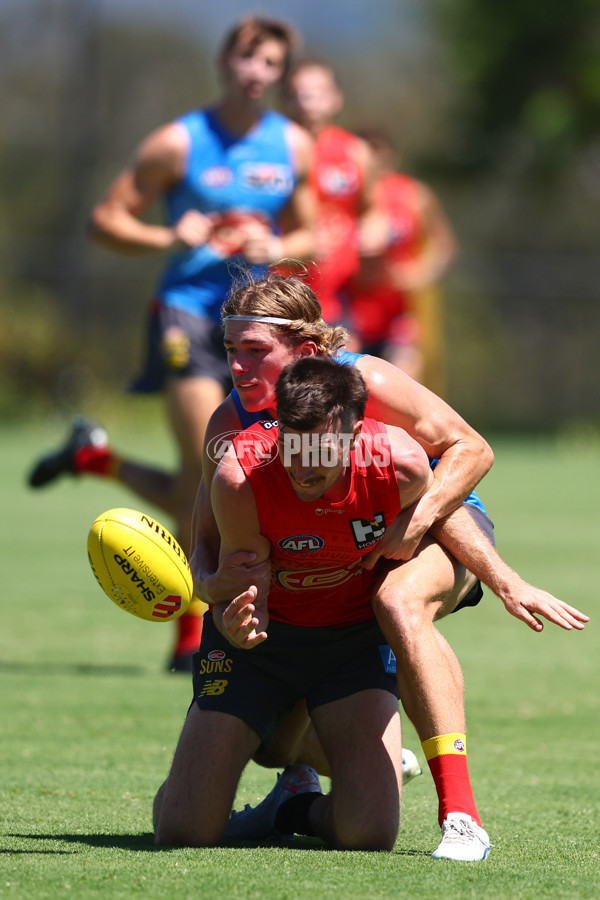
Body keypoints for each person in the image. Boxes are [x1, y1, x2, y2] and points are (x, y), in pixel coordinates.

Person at [189, 269, 588, 860]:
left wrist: (437, 535)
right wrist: (212, 588)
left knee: (397, 602)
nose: (238, 368)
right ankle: (300, 792)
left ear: (303, 351)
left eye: (255, 352)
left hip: (440, 522)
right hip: (344, 547)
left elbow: (471, 449)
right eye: (230, 351)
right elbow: (205, 537)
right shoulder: (230, 425)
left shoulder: (365, 380)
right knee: (272, 743)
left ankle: (461, 818)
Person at [26, 16, 316, 671]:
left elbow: (312, 234)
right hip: (186, 315)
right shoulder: (178, 143)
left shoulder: (292, 146)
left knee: (231, 475)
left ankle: (97, 459)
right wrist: (169, 238)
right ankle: (192, 634)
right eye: (246, 57)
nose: (255, 71)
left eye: (269, 62)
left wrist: (280, 247)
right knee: (210, 468)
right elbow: (106, 220)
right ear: (224, 62)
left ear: (279, 73)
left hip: (256, 328)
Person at [153, 356, 434, 850]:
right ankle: (195, 786)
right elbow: (243, 587)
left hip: (351, 643)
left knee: (367, 834)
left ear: (356, 433)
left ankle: (292, 808)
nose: (303, 468)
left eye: (321, 450)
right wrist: (235, 618)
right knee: (185, 829)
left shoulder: (404, 468)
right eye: (291, 446)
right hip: (262, 647)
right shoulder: (241, 476)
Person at [347, 127, 459, 388]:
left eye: (378, 153)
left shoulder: (414, 195)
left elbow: (445, 246)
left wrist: (421, 272)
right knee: (349, 391)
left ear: (391, 157)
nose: (372, 162)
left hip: (398, 312)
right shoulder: (343, 198)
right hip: (352, 311)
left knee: (405, 383)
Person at [283, 58, 388, 326]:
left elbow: (372, 211)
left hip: (340, 296)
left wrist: (375, 233)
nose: (307, 101)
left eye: (317, 92)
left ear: (336, 98)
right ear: (284, 100)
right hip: (282, 292)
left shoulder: (354, 152)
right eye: (297, 93)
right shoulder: (272, 150)